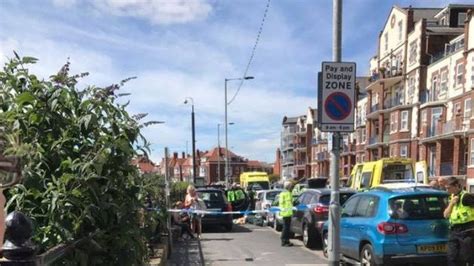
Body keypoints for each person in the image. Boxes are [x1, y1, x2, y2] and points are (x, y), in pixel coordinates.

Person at [443, 176, 474, 266]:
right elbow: (445, 215)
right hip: (454, 231)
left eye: (449, 188)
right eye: (446, 188)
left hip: (467, 231)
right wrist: (451, 204)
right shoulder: (451, 198)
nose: (447, 190)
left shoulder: (466, 197)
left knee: (466, 257)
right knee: (451, 256)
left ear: (456, 185)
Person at [279, 181, 294, 247]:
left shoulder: (286, 193)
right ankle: (284, 241)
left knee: (287, 228)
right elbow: (283, 204)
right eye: (291, 186)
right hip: (286, 213)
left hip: (288, 212)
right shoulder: (286, 193)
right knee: (286, 228)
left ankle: (287, 240)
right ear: (288, 186)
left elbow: (290, 203)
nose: (291, 187)